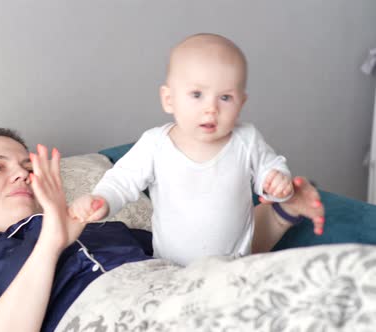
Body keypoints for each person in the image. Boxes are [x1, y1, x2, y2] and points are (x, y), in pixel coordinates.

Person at [0, 127, 324, 332]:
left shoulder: (101, 227)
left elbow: (215, 254)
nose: (20, 174)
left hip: (192, 295)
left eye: (27, 165)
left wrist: (286, 209)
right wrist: (50, 244)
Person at [69, 33, 324, 266]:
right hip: (173, 269)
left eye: (225, 98)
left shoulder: (246, 140)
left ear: (241, 102)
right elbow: (121, 181)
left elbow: (271, 169)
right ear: (169, 99)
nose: (211, 109)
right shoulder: (156, 145)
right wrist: (101, 200)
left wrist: (277, 183)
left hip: (234, 267)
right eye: (197, 95)